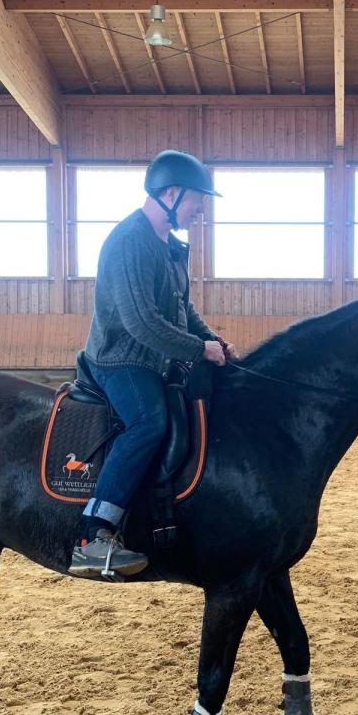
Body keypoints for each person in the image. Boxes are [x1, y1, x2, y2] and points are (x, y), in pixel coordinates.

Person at [68, 151, 236, 578]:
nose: (202, 208)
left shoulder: (167, 246)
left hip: (155, 357)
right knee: (148, 422)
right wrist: (198, 350)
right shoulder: (130, 241)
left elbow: (181, 309)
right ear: (172, 193)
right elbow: (141, 322)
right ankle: (94, 534)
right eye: (198, 198)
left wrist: (210, 338)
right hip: (120, 358)